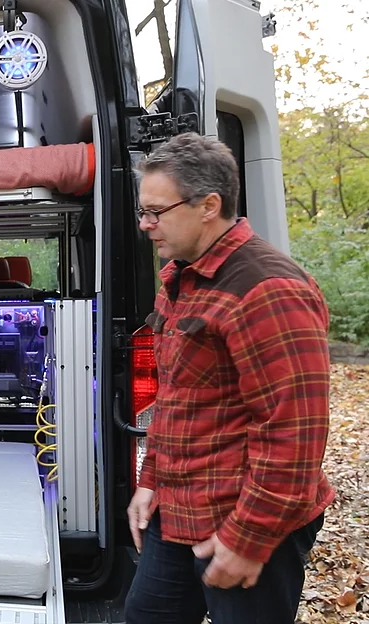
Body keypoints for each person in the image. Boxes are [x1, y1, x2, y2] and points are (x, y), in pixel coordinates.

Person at [125, 132, 335, 624]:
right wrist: (150, 479)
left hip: (245, 519)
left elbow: (294, 434)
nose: (144, 225)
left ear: (208, 205)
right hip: (177, 507)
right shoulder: (182, 277)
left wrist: (250, 539)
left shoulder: (268, 289)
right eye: (143, 211)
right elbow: (177, 397)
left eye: (156, 212)